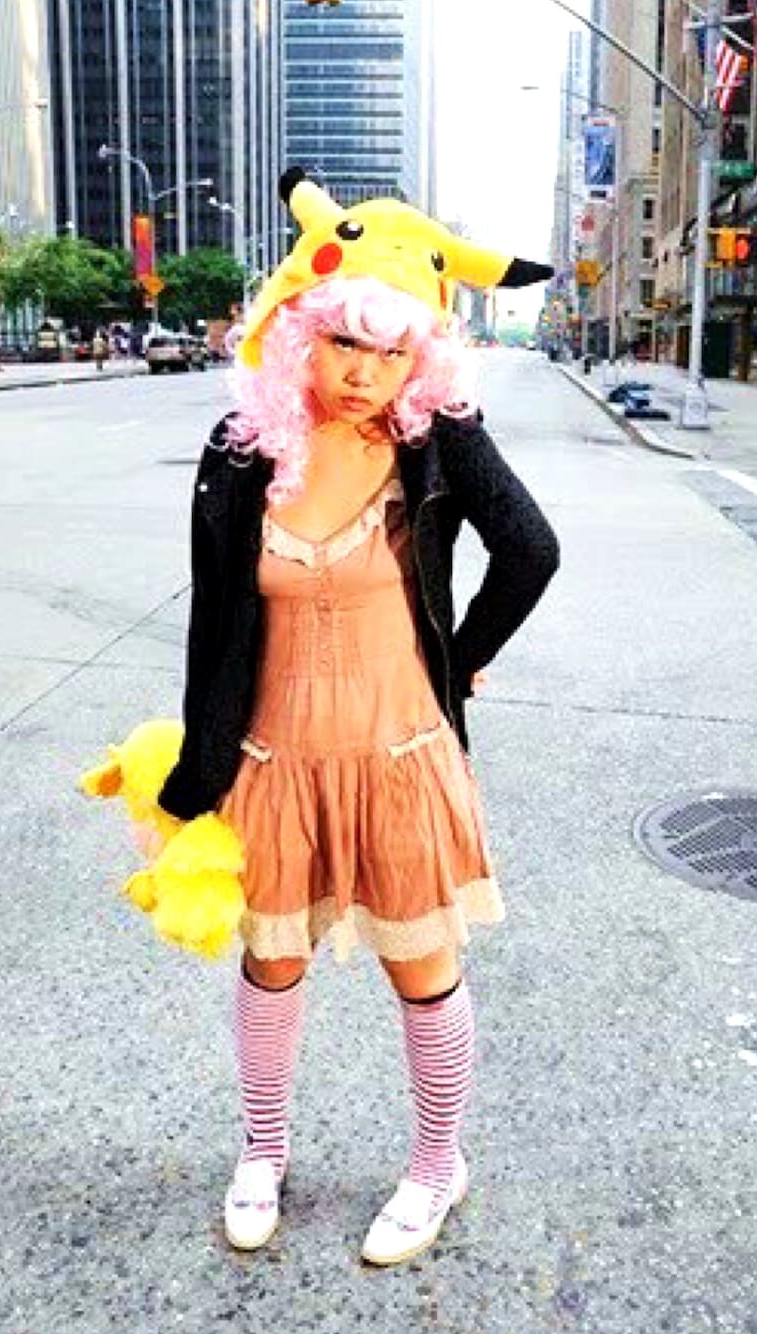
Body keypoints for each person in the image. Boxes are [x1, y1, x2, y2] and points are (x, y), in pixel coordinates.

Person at [151, 167, 559, 1266]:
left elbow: (530, 550)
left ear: (422, 358)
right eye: (343, 343)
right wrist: (198, 765)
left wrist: (459, 662)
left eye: (392, 351)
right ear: (302, 332)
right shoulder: (243, 452)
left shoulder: (438, 442)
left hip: (399, 758)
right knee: (270, 967)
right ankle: (260, 1150)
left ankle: (437, 1163)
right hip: (272, 758)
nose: (364, 373)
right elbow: (212, 620)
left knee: (420, 971)